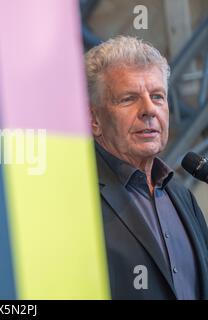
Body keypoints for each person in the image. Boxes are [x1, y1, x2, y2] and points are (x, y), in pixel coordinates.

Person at [85, 36, 208, 299]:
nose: (149, 110)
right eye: (129, 99)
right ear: (93, 119)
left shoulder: (181, 195)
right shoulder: (75, 196)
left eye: (157, 96)